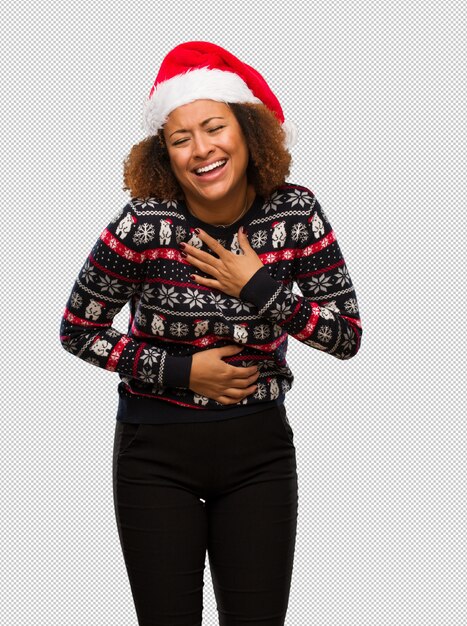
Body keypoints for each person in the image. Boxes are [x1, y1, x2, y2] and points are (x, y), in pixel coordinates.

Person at [59, 40, 363, 626]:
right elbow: (78, 329)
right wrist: (180, 371)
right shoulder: (146, 223)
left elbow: (346, 336)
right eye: (180, 138)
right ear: (164, 155)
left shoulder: (295, 214)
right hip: (156, 457)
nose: (201, 150)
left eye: (214, 127)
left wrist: (260, 287)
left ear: (248, 130)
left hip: (259, 456)